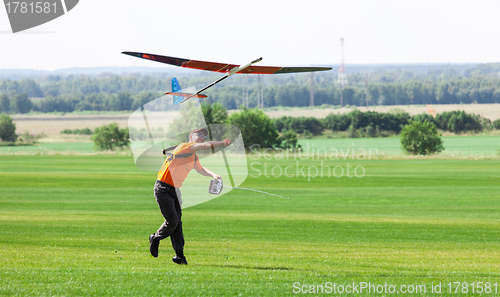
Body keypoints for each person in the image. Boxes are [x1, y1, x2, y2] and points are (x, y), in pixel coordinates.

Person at [149, 128, 232, 264]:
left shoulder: (193, 156)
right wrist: (222, 142)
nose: (201, 137)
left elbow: (200, 169)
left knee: (177, 223)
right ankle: (156, 238)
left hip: (175, 190)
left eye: (203, 136)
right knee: (172, 221)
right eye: (198, 135)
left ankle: (179, 256)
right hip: (163, 188)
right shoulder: (184, 147)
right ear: (190, 136)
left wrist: (213, 174)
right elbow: (205, 146)